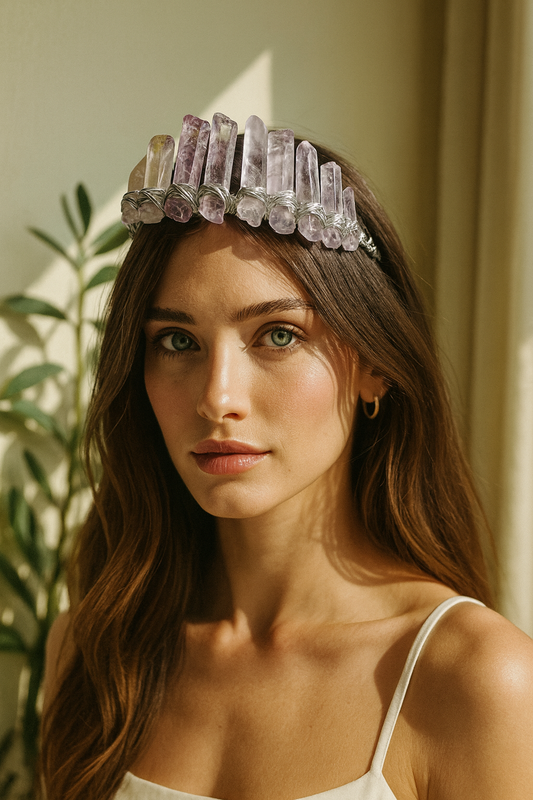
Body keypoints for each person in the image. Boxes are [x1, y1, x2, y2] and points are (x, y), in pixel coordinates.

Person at [41, 114, 533, 800]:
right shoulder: (91, 651)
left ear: (374, 366)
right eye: (177, 341)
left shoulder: (473, 678)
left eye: (277, 335)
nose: (217, 398)